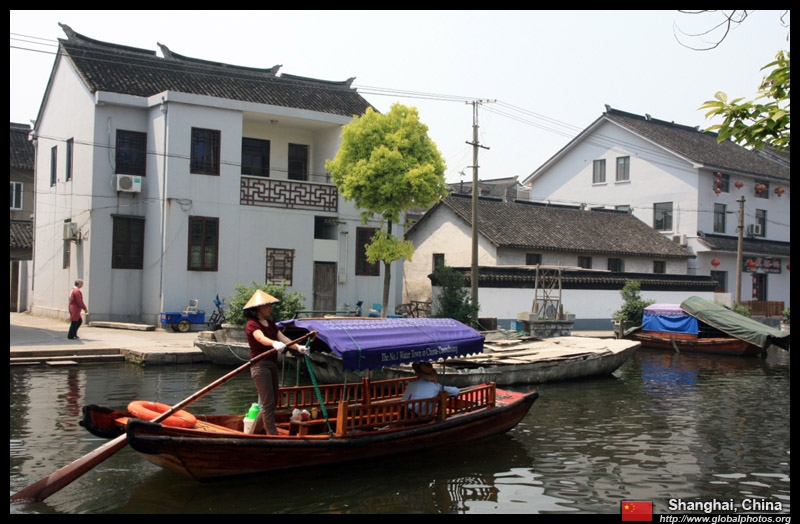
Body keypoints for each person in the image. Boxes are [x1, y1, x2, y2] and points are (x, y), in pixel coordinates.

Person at [243, 290, 308, 435]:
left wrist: (298, 347)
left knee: (273, 401)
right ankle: (272, 434)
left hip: (271, 364)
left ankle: (253, 433)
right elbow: (260, 338)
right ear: (258, 308)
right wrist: (273, 343)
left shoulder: (271, 324)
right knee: (268, 402)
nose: (270, 308)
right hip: (260, 365)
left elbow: (283, 338)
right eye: (267, 305)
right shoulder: (252, 324)